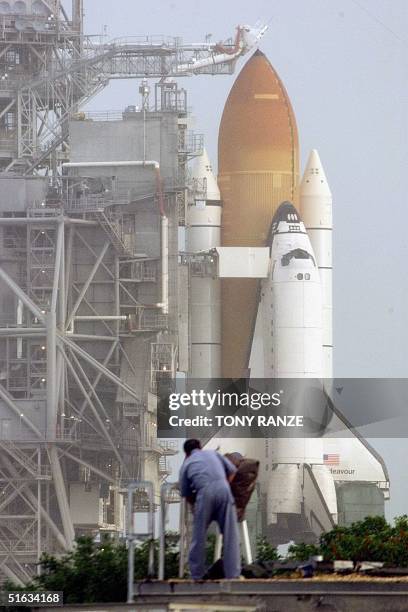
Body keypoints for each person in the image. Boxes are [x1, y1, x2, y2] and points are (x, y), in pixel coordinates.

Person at [179, 439, 241, 580]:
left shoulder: (187, 464)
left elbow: (186, 494)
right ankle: (233, 574)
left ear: (186, 453)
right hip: (224, 489)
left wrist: (196, 508)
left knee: (198, 536)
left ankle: (197, 574)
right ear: (200, 447)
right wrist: (225, 484)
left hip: (204, 493)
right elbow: (232, 470)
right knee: (230, 535)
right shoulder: (213, 454)